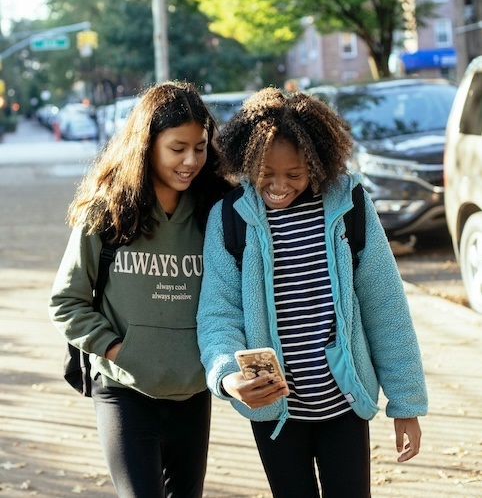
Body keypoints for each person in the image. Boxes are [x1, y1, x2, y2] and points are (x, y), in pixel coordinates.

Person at [197, 87, 428, 498]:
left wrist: (405, 402)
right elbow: (219, 315)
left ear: (317, 162)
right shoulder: (229, 219)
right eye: (266, 174)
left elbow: (386, 307)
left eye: (295, 174)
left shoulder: (348, 205)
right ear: (246, 161)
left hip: (344, 405)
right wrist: (228, 377)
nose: (279, 186)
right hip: (274, 414)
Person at [49, 81, 230, 498]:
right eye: (177, 148)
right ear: (147, 144)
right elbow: (66, 302)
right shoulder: (107, 210)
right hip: (123, 391)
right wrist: (120, 352)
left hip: (193, 392)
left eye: (200, 148)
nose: (190, 161)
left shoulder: (217, 213)